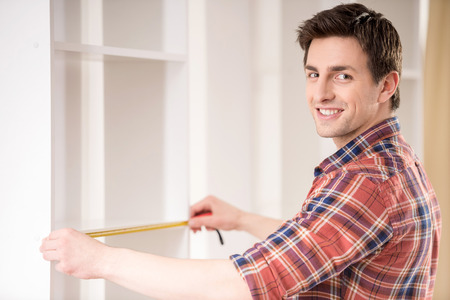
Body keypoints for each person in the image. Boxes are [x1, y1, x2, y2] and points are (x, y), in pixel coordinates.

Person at [40, 3, 441, 299]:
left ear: (387, 86)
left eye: (343, 75)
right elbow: (321, 243)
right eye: (313, 73)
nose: (320, 93)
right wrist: (241, 219)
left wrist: (100, 261)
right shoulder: (390, 160)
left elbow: (245, 283)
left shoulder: (366, 181)